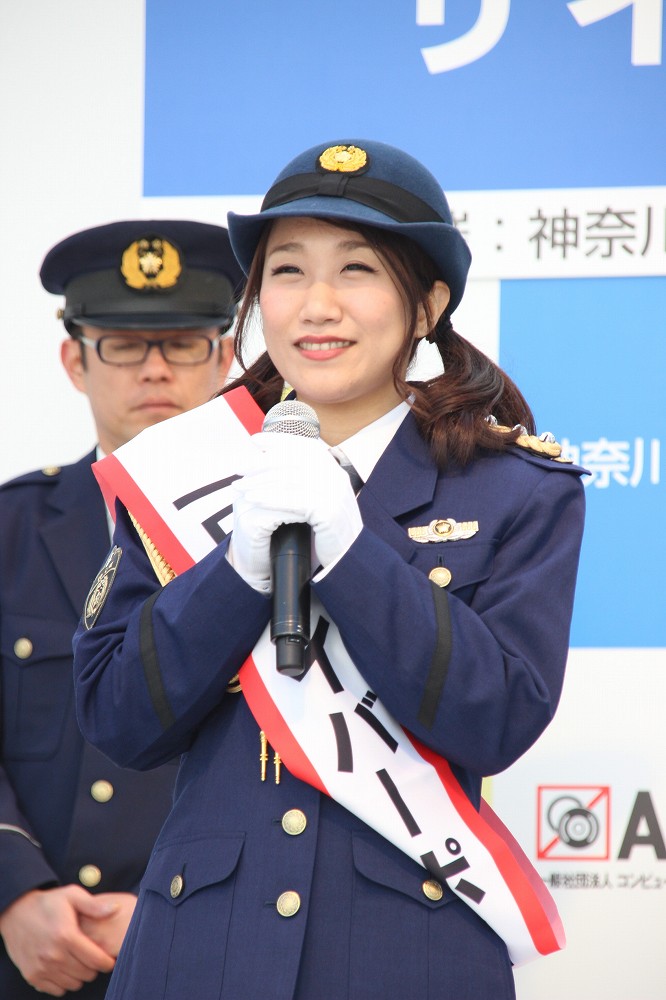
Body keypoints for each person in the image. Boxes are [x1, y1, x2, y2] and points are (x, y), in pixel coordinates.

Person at [72, 142, 586, 999]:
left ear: (428, 305)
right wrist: (237, 572)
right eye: (287, 271)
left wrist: (350, 553)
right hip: (198, 955)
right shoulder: (180, 470)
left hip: (408, 958)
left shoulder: (517, 489)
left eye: (357, 269)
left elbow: (498, 717)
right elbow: (117, 717)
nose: (317, 305)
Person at [0, 219, 243, 998]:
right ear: (75, 360)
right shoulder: (10, 529)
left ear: (225, 358)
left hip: (221, 951)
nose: (155, 369)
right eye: (125, 345)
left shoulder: (284, 531)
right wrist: (13, 891)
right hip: (30, 963)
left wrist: (181, 907)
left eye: (184, 344)